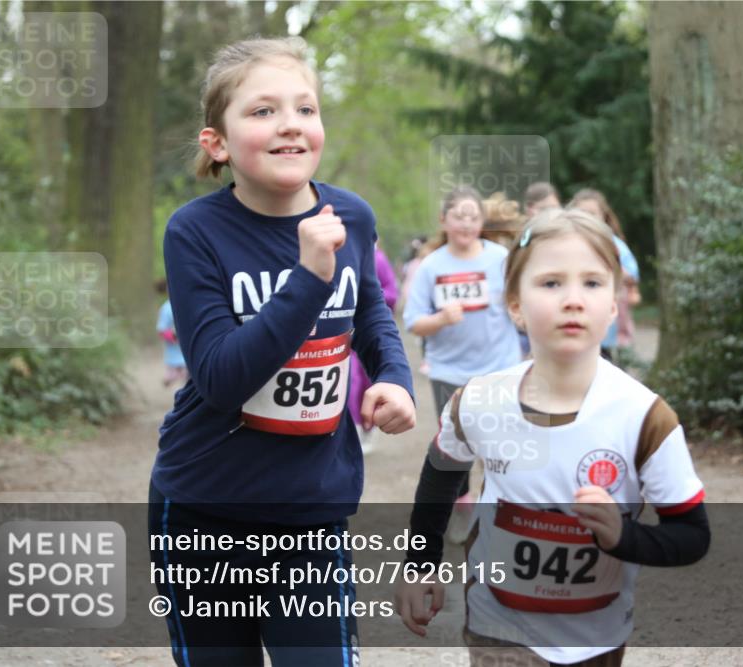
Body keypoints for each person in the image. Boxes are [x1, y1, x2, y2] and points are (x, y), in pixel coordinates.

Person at [147, 37, 415, 667]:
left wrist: (395, 377)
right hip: (204, 511)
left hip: (310, 510)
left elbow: (371, 310)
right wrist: (307, 278)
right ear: (217, 143)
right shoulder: (195, 231)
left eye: (305, 108)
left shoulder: (352, 214)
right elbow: (218, 377)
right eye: (263, 111)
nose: (290, 123)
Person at [396, 209, 710, 666]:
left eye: (592, 283)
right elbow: (441, 475)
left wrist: (624, 537)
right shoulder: (479, 402)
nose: (573, 299)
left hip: (596, 638)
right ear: (516, 305)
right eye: (550, 283)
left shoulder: (645, 417)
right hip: (498, 628)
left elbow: (692, 535)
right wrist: (420, 564)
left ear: (614, 304)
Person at [403, 186, 523, 544]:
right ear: (444, 220)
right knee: (457, 446)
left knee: (501, 441)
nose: (467, 223)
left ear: (482, 221)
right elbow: (413, 321)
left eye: (473, 216)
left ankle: (500, 508)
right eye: (459, 216)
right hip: (449, 372)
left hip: (500, 367)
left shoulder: (500, 259)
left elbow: (520, 302)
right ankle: (462, 510)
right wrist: (440, 319)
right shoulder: (432, 266)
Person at [568, 189, 642, 353]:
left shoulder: (614, 244)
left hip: (608, 321)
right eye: (582, 213)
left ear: (603, 216)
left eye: (593, 213)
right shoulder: (565, 243)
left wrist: (610, 271)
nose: (587, 218)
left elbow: (632, 275)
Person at [347, 241, 399, 453]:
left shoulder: (378, 259)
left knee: (368, 381)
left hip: (368, 332)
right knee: (350, 379)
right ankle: (351, 429)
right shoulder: (338, 256)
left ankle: (368, 426)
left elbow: (393, 294)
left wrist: (367, 293)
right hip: (342, 333)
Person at [155, 278, 188, 387]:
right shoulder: (166, 308)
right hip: (174, 347)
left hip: (186, 347)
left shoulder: (186, 305)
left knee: (186, 372)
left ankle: (178, 381)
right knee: (175, 368)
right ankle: (170, 377)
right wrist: (173, 336)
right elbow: (161, 329)